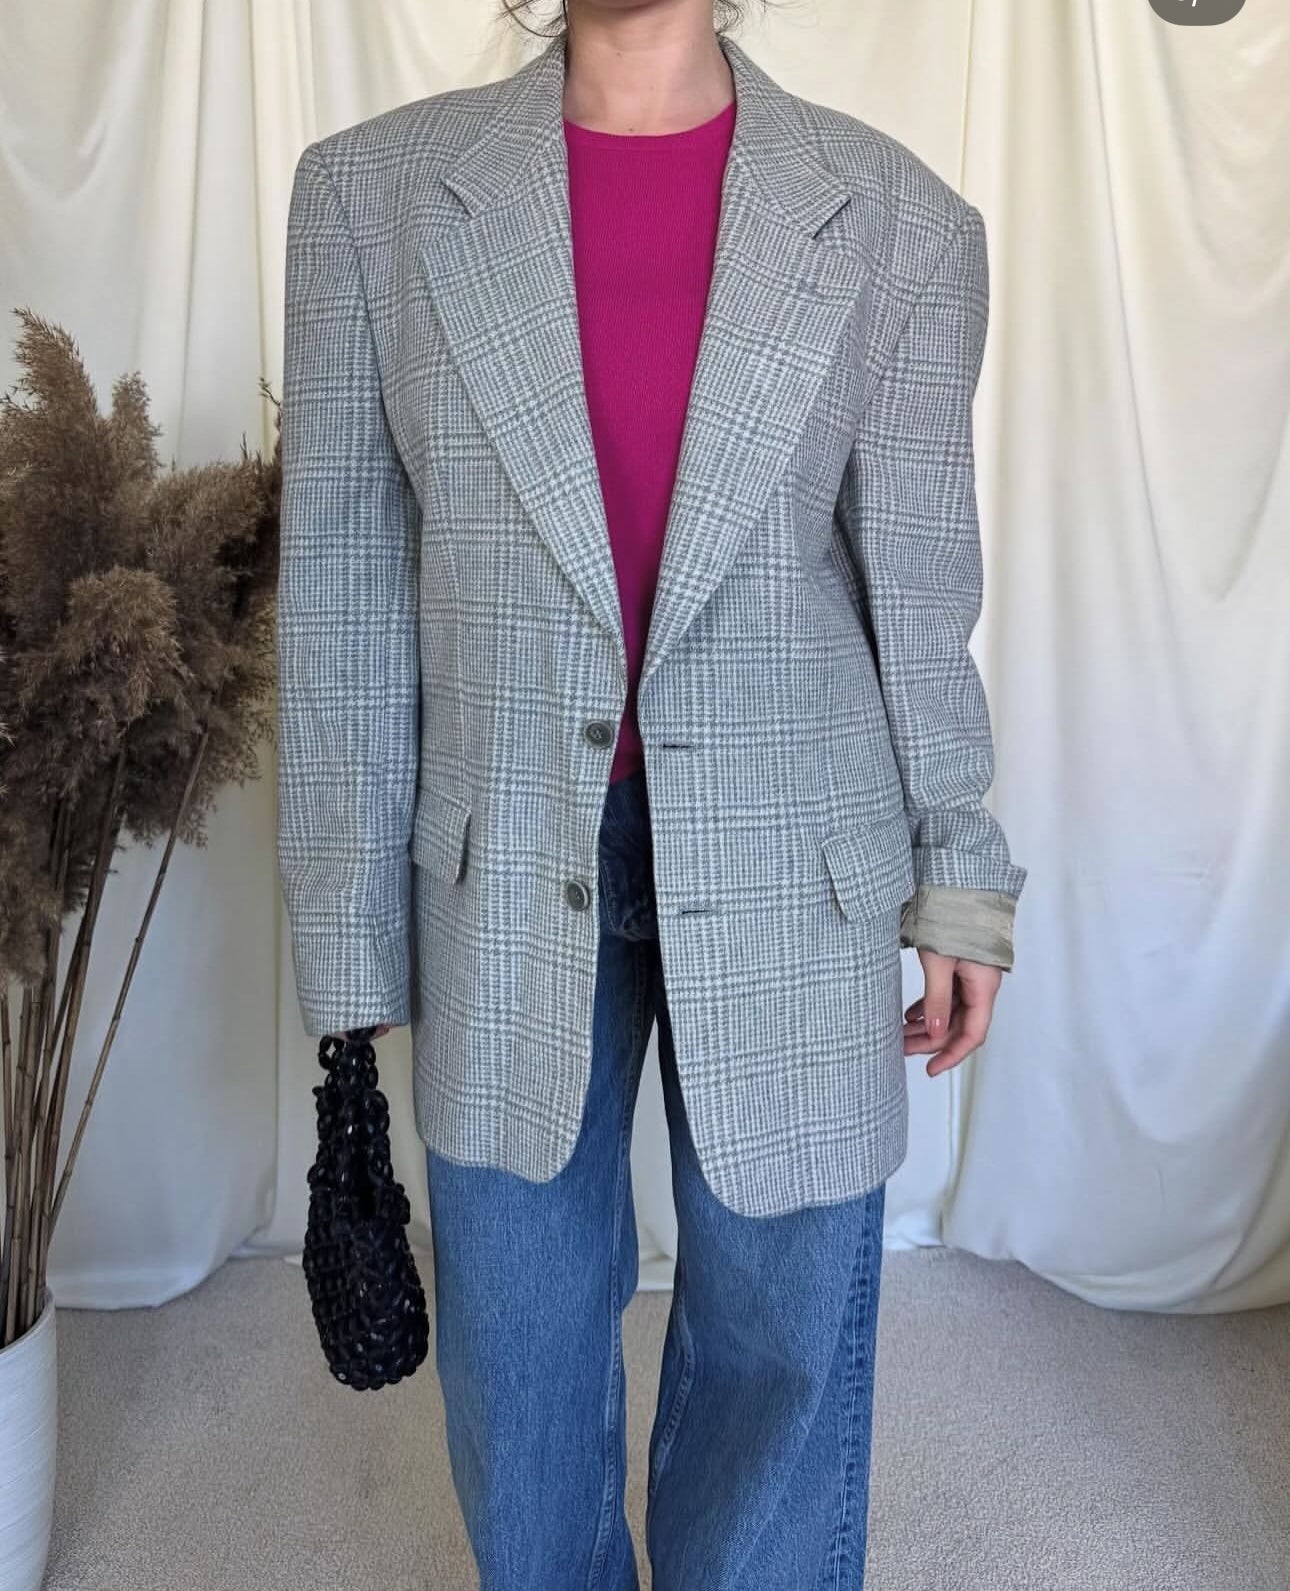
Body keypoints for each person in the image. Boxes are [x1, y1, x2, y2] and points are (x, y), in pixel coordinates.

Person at [276, 1, 1027, 1585]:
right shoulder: (370, 195)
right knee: (519, 1341)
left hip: (796, 856)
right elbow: (343, 589)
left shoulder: (894, 215)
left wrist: (959, 872)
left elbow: (919, 588)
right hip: (500, 848)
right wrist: (345, 935)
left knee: (780, 1334)